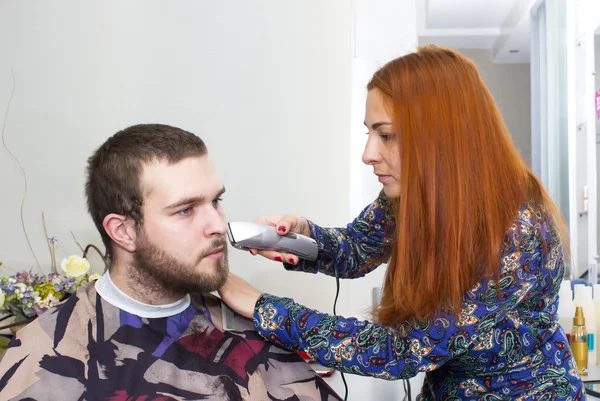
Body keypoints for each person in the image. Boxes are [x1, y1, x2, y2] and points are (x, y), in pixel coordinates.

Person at [218, 45, 585, 400]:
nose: (368, 155)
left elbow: (402, 349)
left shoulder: (518, 232)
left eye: (386, 135)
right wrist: (300, 236)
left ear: (442, 136)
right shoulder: (415, 193)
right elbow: (356, 249)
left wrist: (266, 308)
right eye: (369, 133)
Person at [0, 124, 341, 401]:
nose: (217, 225)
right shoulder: (52, 350)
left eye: (216, 201)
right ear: (124, 231)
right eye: (185, 210)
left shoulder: (253, 329)